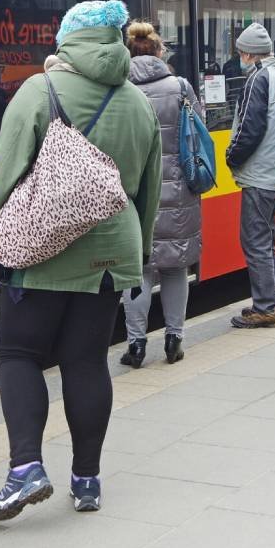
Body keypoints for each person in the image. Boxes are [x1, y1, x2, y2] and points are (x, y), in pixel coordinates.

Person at [0, 0, 161, 520]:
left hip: (41, 254)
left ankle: (25, 469)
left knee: (17, 355)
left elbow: (6, 178)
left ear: (68, 39)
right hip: (109, 258)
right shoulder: (137, 102)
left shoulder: (41, 91)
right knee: (85, 362)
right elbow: (148, 191)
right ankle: (87, 480)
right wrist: (139, 255)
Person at [120, 21, 203, 369]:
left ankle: (136, 345)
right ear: (158, 51)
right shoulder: (180, 86)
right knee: (175, 268)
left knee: (139, 270)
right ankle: (174, 339)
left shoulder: (120, 89)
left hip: (136, 194)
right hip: (178, 192)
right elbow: (199, 128)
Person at [226, 22, 275, 329]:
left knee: (255, 240)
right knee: (266, 238)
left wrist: (231, 156)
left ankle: (266, 307)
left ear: (249, 54)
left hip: (260, 173)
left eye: (241, 52)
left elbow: (249, 128)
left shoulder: (259, 80)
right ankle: (274, 299)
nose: (240, 57)